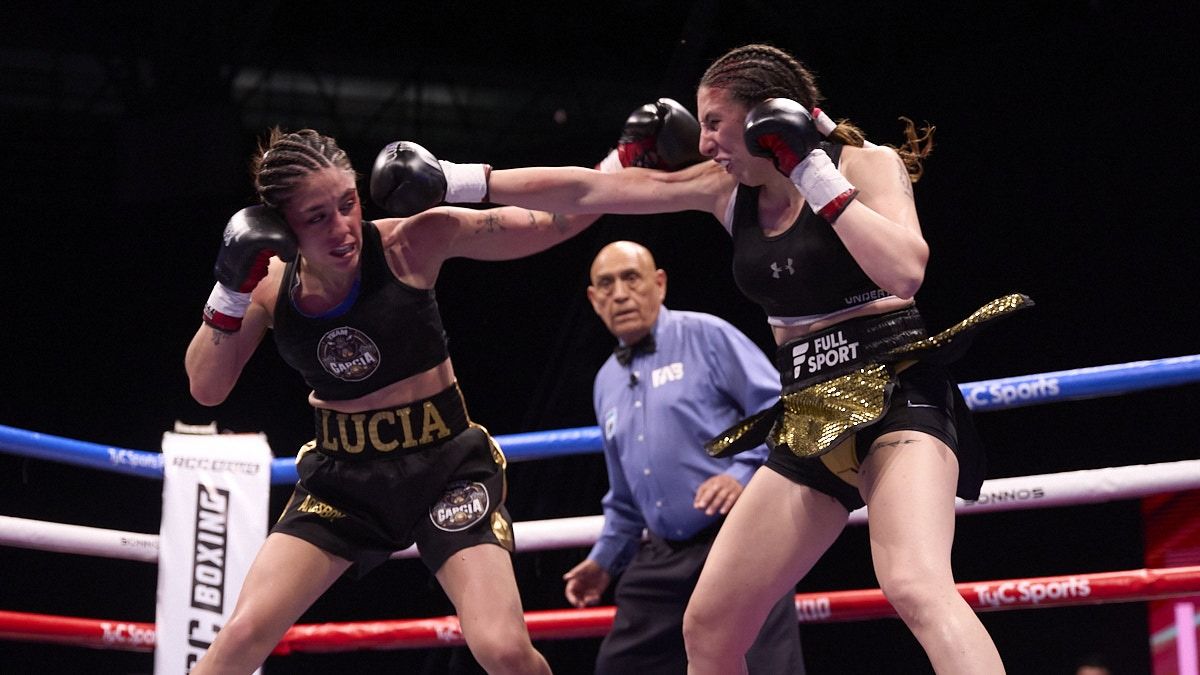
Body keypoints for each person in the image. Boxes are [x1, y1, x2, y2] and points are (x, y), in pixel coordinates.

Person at [370, 43, 1031, 674]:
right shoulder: (724, 188)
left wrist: (812, 168)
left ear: (767, 111)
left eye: (716, 122)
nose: (705, 140)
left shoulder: (863, 164)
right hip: (808, 414)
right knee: (709, 627)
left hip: (897, 396)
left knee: (915, 582)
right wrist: (454, 180)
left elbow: (905, 271)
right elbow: (587, 191)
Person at [184, 128, 600, 674]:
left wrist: (619, 163)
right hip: (344, 482)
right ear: (281, 227)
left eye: (347, 204)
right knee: (238, 637)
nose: (341, 229)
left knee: (502, 649)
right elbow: (206, 388)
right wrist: (230, 290)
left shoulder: (409, 243)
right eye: (317, 217)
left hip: (447, 470)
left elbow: (557, 221)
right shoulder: (267, 287)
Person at [564, 240, 805, 674]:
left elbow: (783, 413)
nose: (620, 293)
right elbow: (624, 498)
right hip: (663, 556)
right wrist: (603, 562)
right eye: (606, 284)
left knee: (764, 667)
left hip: (737, 537)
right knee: (619, 666)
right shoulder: (605, 383)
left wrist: (740, 474)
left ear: (659, 284)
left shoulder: (705, 335)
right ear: (593, 299)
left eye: (631, 278)